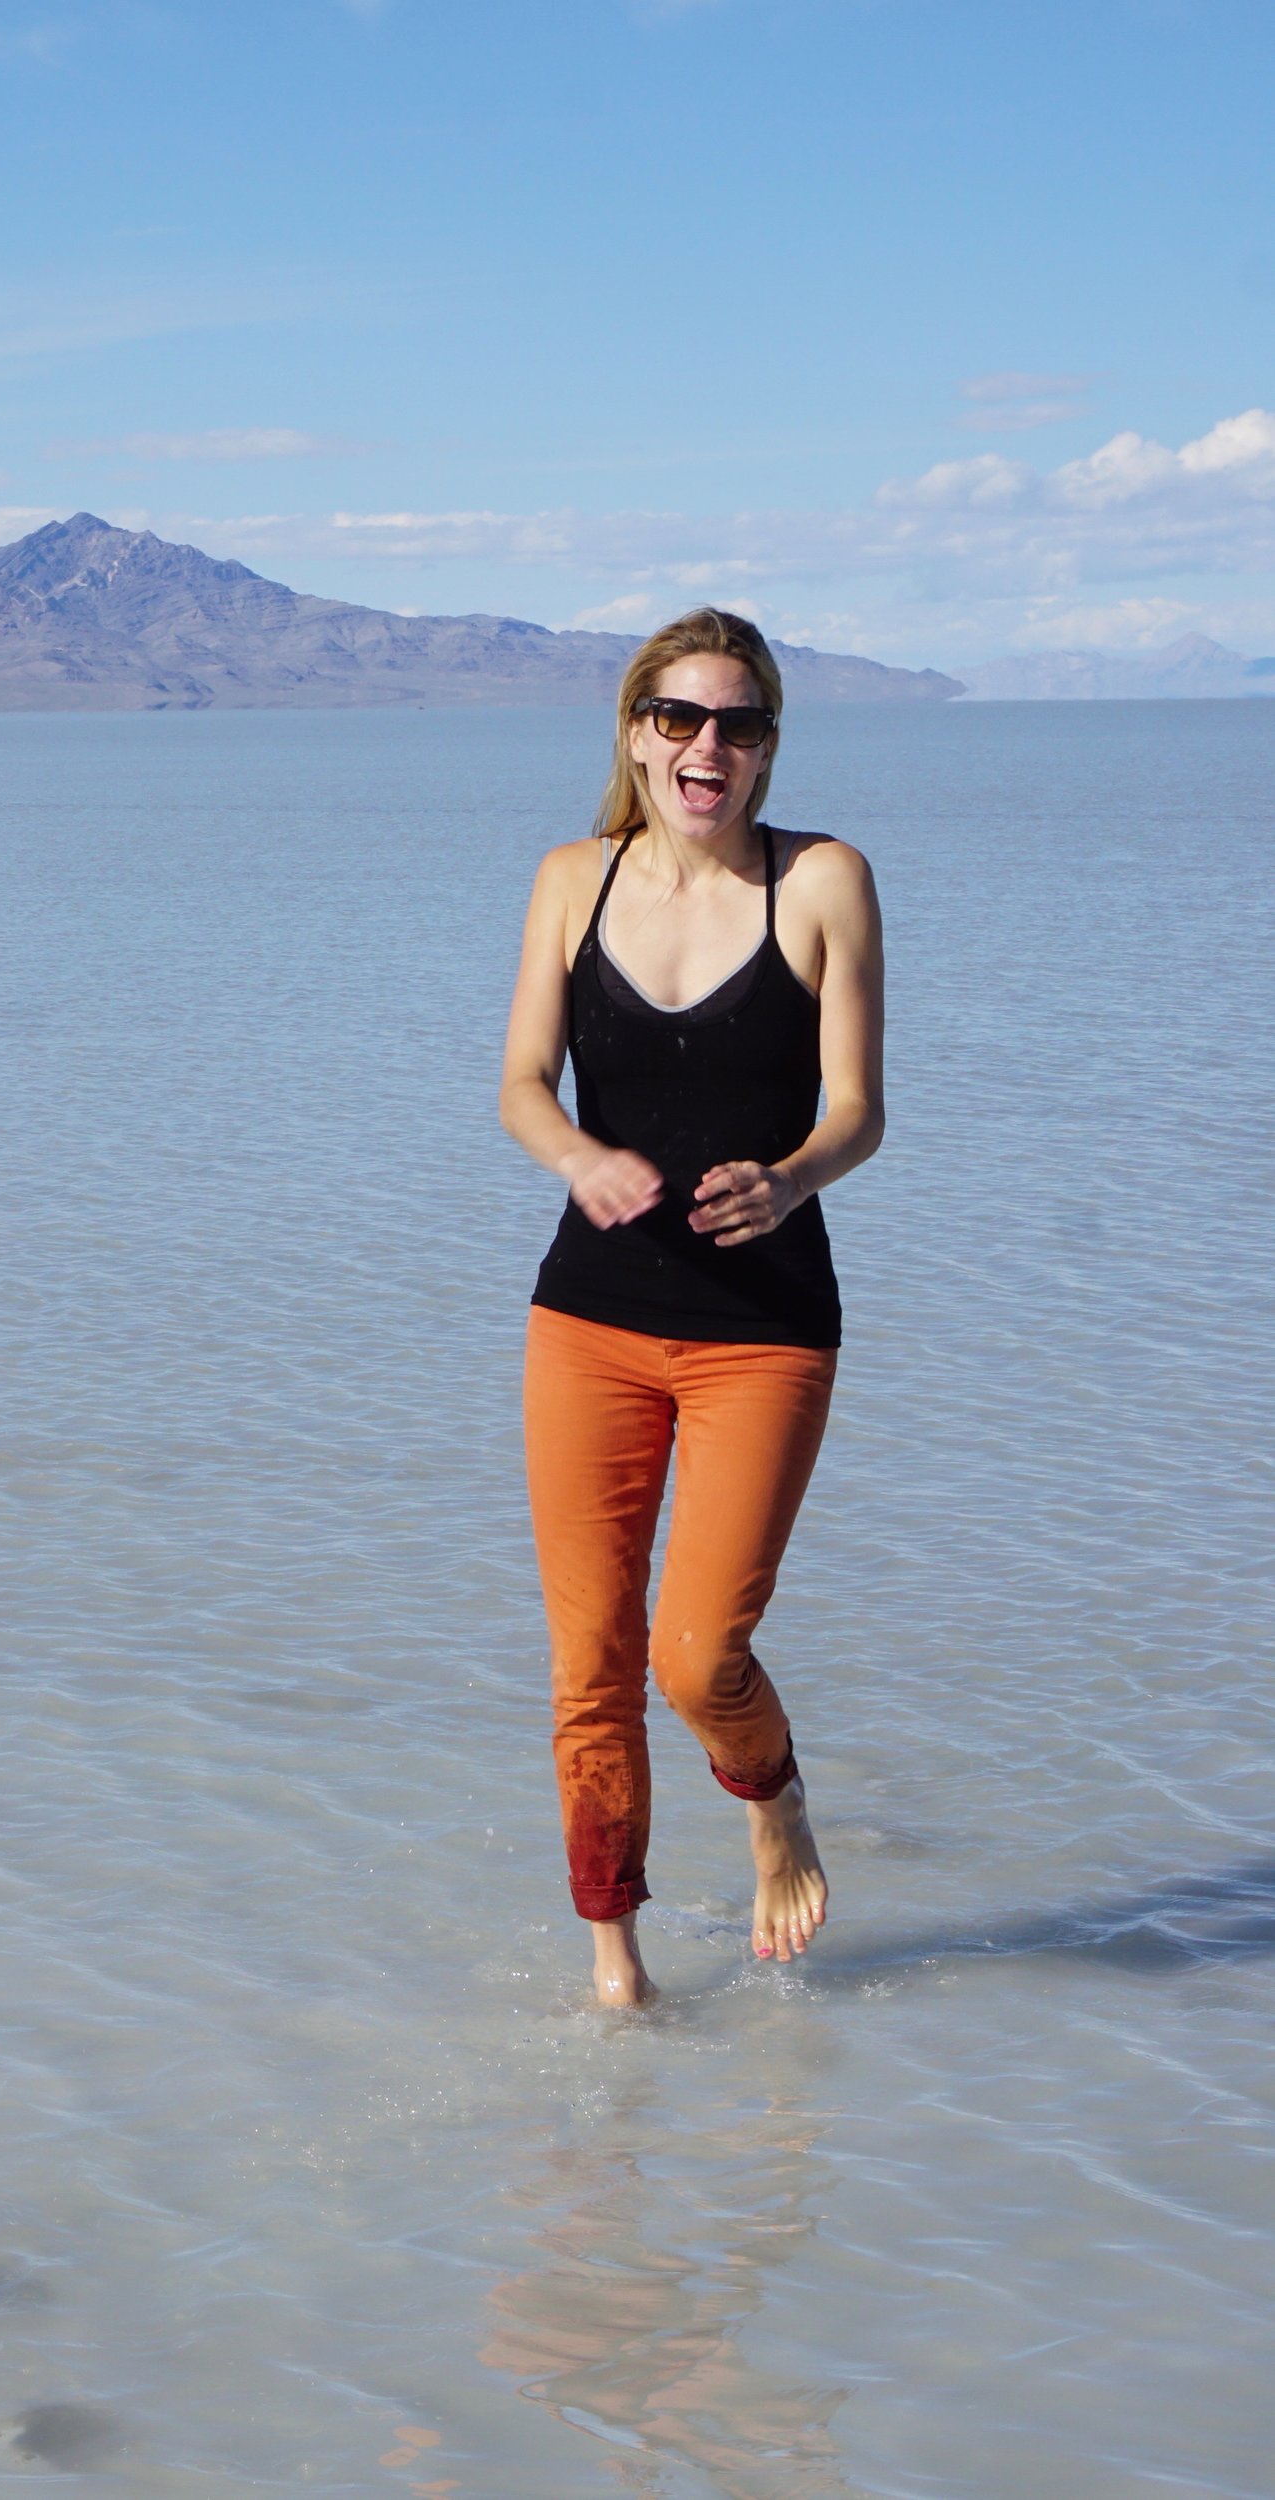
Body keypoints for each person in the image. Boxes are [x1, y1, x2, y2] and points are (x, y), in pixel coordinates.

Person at [498, 608, 884, 2007]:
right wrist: (577, 1154)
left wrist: (790, 1182)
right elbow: (521, 1085)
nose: (707, 746)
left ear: (770, 743)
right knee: (590, 1656)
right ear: (635, 729)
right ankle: (618, 1963)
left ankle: (770, 1793)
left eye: (740, 722)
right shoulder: (568, 881)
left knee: (697, 1652)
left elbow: (858, 1113)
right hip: (587, 1319)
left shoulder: (823, 881)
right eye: (680, 718)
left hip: (763, 1328)